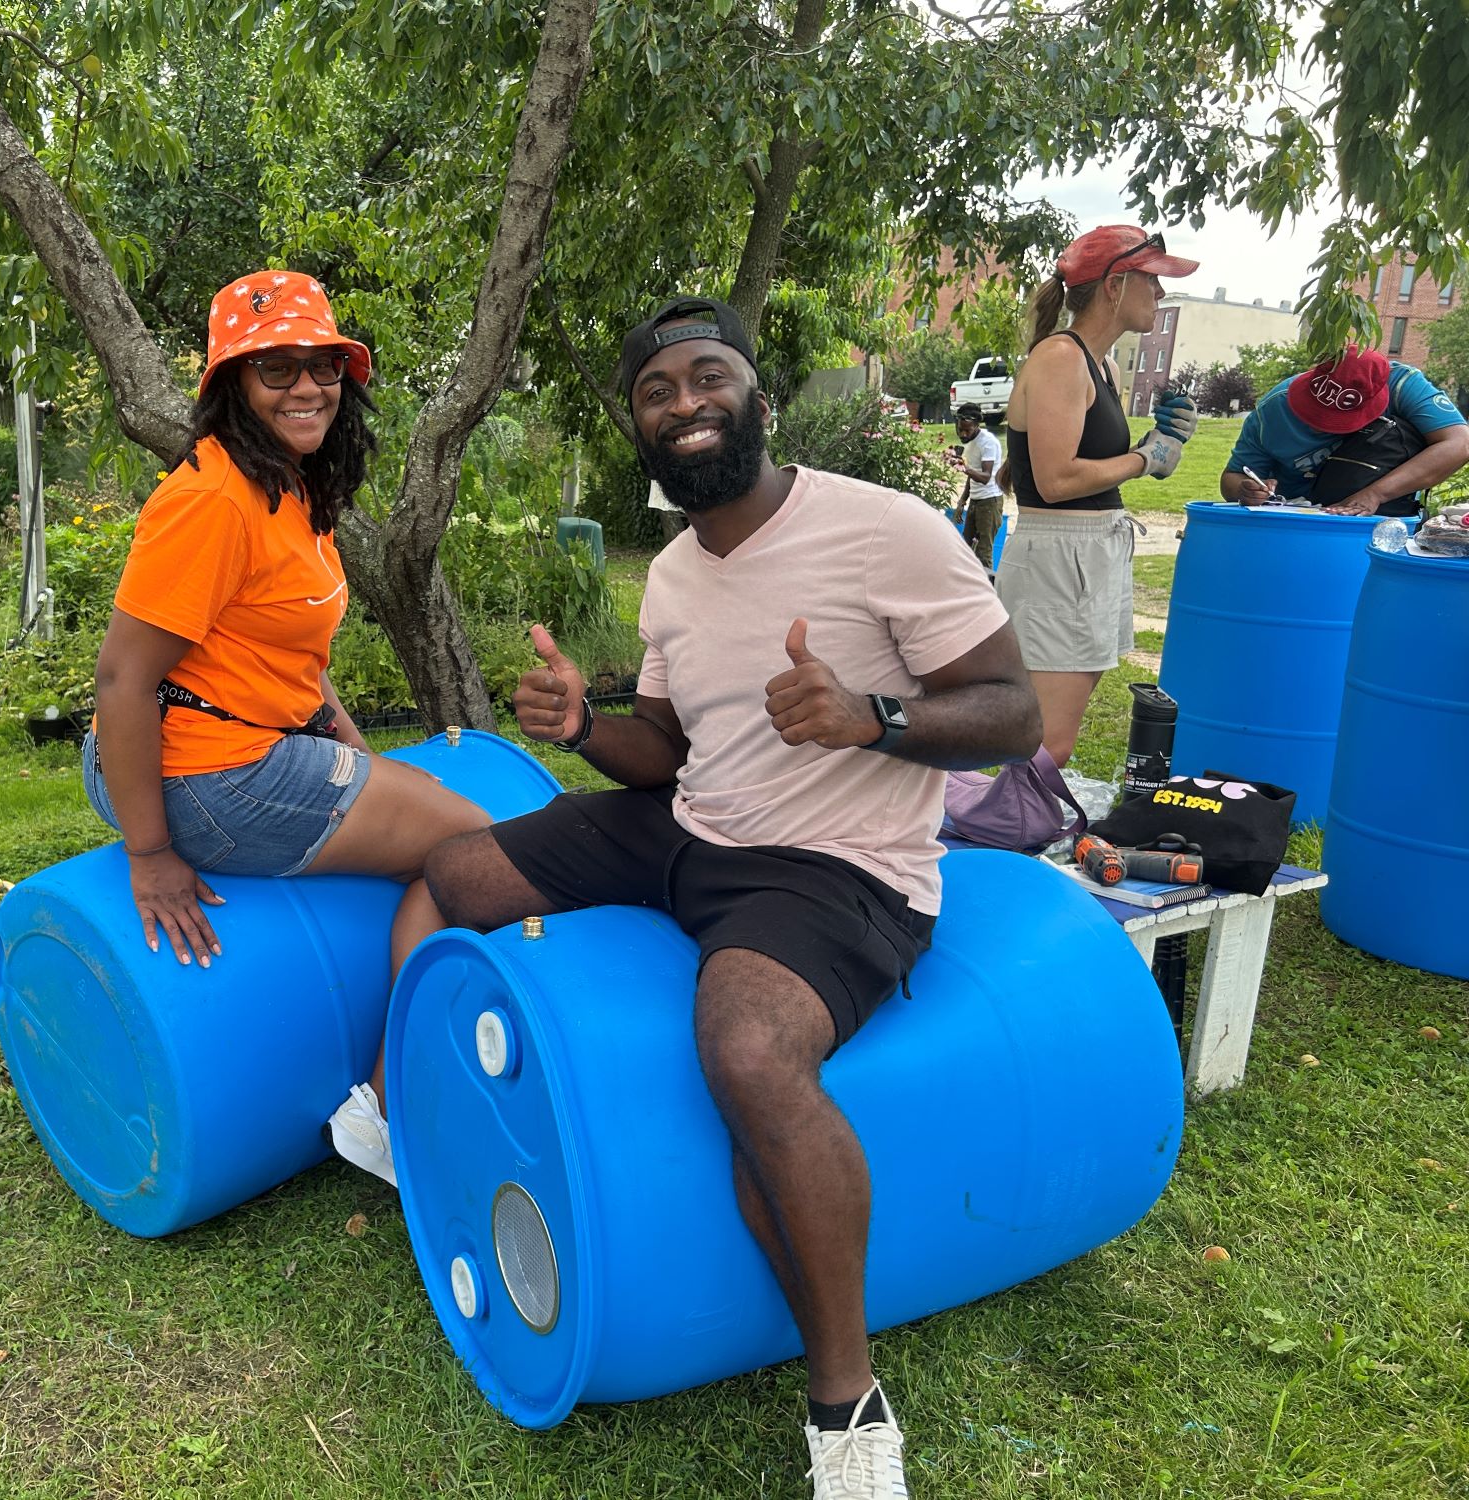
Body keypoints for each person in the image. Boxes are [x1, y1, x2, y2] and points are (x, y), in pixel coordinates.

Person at [422, 295, 1042, 1500]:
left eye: (707, 378)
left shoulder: (887, 530)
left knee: (748, 1054)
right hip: (692, 828)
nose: (683, 404)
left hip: (838, 866)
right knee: (456, 872)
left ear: (755, 397)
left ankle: (845, 1405)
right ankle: (403, 1118)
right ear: (638, 428)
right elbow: (664, 747)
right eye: (656, 392)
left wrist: (874, 717)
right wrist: (585, 726)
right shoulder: (667, 575)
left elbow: (1011, 713)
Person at [82, 269, 487, 1187]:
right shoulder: (213, 499)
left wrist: (346, 740)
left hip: (232, 745)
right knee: (476, 852)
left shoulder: (287, 486)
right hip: (211, 778)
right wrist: (150, 856)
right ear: (232, 386)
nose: (306, 387)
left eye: (322, 366)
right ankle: (383, 1114)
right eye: (275, 370)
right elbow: (122, 677)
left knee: (440, 817)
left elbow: (283, 651)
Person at [996, 225, 1200, 767]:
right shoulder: (1061, 357)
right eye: (1152, 280)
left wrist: (1161, 444)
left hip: (1088, 555)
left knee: (1053, 743)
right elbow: (1056, 480)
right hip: (1061, 560)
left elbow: (1088, 462)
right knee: (1048, 745)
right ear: (1114, 284)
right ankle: (1007, 837)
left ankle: (1016, 828)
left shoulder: (1101, 365)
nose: (1159, 293)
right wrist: (1143, 459)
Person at [1220, 344, 1469, 515]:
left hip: (1381, 520)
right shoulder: (1274, 410)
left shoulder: (1403, 384)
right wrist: (1245, 491)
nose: (1327, 427)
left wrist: (1375, 495)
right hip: (1299, 521)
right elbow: (1232, 477)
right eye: (1315, 417)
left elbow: (1460, 444)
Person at [951, 400, 1004, 569]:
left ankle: (987, 592)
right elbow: (972, 475)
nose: (963, 434)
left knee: (983, 554)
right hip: (976, 500)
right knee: (966, 550)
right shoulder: (970, 443)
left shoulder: (987, 442)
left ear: (977, 425)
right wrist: (962, 501)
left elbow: (985, 476)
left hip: (990, 502)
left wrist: (964, 468)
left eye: (968, 430)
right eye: (960, 429)